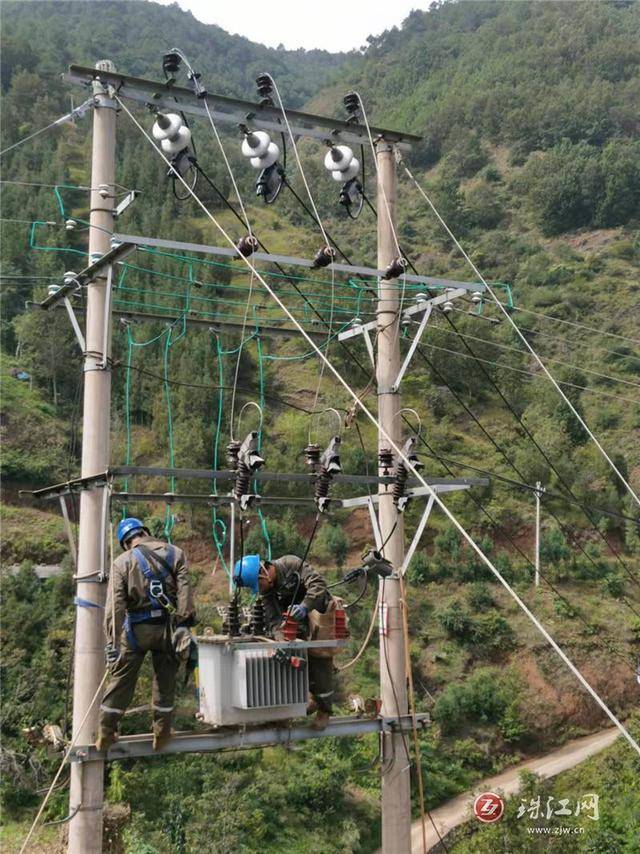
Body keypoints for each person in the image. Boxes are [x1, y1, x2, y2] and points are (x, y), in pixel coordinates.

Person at [96, 517, 195, 752]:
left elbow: (115, 608)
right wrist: (183, 626)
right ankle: (161, 733)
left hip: (136, 631)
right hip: (168, 628)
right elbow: (186, 596)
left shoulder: (122, 562)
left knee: (121, 682)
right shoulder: (176, 553)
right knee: (165, 682)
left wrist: (112, 643)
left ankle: (106, 733)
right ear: (145, 532)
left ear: (126, 542)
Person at [233, 553, 335, 729]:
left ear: (263, 572)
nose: (261, 588)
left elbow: (318, 585)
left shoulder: (291, 564)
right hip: (294, 625)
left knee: (319, 661)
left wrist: (305, 606)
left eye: (259, 584)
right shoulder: (267, 593)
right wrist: (282, 642)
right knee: (284, 660)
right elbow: (273, 620)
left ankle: (324, 709)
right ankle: (285, 711)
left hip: (317, 614)